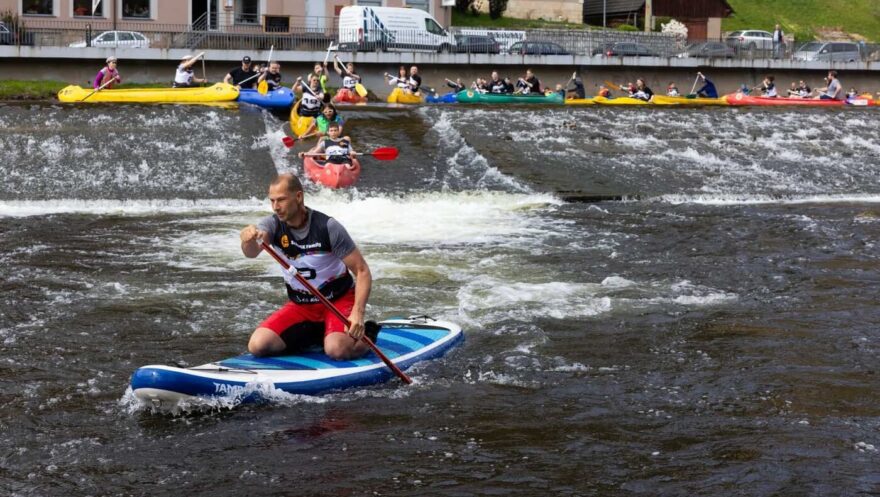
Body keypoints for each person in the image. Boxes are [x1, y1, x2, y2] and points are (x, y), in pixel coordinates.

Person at [239, 173, 373, 359]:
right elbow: (252, 252)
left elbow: (362, 271)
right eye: (272, 201)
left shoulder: (328, 227)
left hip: (338, 301)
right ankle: (319, 333)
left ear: (299, 197)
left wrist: (358, 313)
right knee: (258, 345)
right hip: (302, 305)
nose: (276, 207)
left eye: (281, 200)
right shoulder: (272, 225)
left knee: (337, 350)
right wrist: (247, 240)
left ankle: (368, 335)